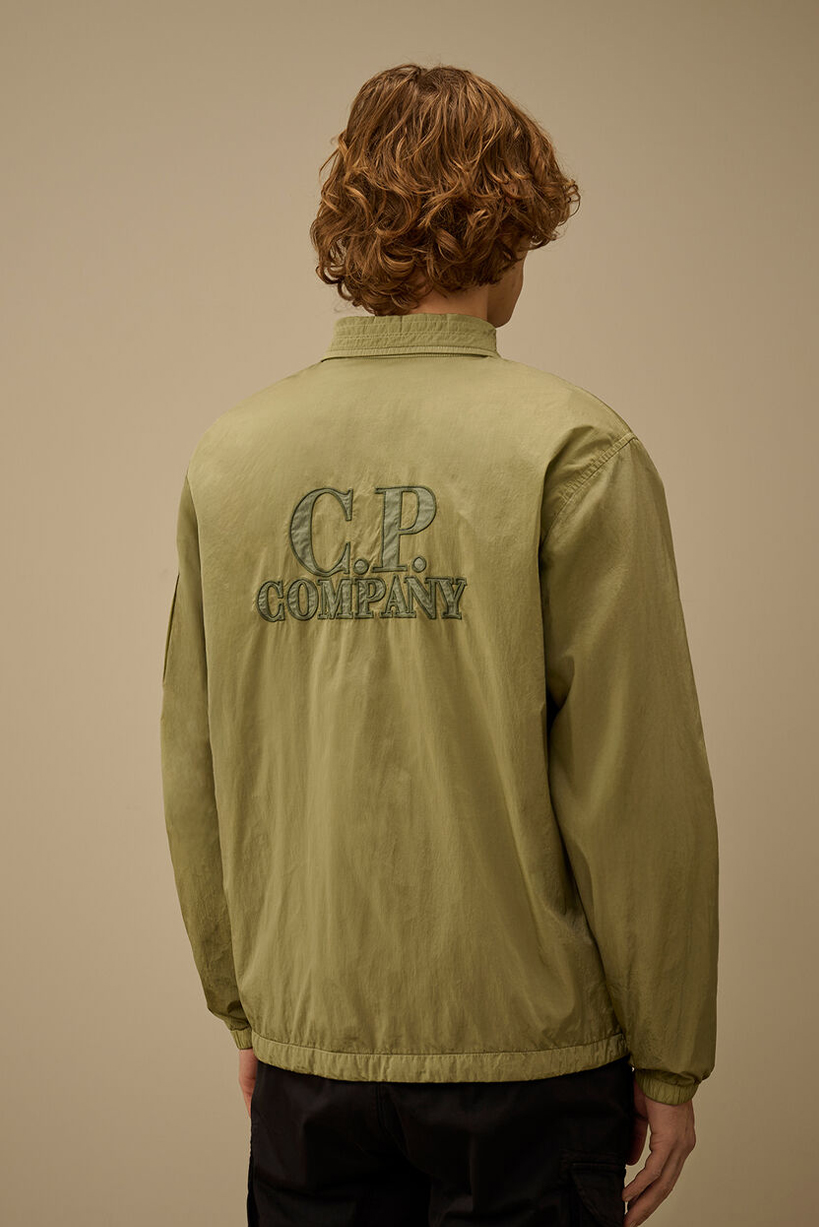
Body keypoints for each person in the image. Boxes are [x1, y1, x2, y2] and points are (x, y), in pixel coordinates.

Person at [159, 63, 719, 1227]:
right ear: (513, 226)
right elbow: (635, 788)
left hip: (309, 1056)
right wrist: (670, 1059)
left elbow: (197, 770)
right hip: (527, 1064)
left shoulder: (233, 455)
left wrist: (250, 1009)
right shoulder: (576, 450)